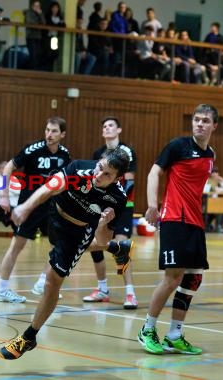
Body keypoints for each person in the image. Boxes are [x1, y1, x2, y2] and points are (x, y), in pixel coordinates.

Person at [0, 149, 132, 359]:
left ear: (117, 178)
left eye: (107, 175)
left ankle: (29, 337)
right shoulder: (79, 168)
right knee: (67, 243)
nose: (99, 175)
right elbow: (49, 188)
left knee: (52, 281)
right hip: (54, 213)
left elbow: (102, 239)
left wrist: (104, 223)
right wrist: (25, 207)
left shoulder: (116, 199)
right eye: (99, 168)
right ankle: (119, 249)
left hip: (77, 231)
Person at [137, 104, 218, 356]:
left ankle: (174, 334)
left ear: (214, 126)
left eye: (205, 121)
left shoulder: (210, 154)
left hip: (196, 222)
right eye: (196, 120)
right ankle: (147, 329)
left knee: (193, 278)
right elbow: (154, 172)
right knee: (172, 277)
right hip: (174, 218)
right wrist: (152, 205)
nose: (199, 124)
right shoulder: (178, 146)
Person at [0, 117, 71, 303]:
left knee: (56, 246)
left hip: (52, 207)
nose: (49, 134)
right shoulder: (33, 149)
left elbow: (66, 180)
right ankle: (1, 290)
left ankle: (42, 282)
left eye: (53, 131)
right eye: (47, 130)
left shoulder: (65, 155)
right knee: (17, 247)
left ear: (62, 134)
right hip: (29, 207)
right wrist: (4, 196)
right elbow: (9, 167)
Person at [83, 116, 138, 309]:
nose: (106, 128)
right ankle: (102, 288)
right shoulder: (99, 153)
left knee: (122, 246)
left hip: (122, 205)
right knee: (95, 243)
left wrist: (116, 202)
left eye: (110, 125)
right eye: (104, 126)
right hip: (100, 205)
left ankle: (130, 293)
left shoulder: (126, 152)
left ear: (119, 130)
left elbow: (129, 182)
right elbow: (95, 179)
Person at [204, 167, 223, 233]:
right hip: (207, 202)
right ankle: (218, 226)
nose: (215, 174)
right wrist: (218, 189)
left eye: (216, 172)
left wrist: (222, 181)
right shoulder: (207, 180)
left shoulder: (219, 180)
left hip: (217, 202)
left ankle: (221, 225)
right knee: (219, 208)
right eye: (213, 172)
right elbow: (206, 190)